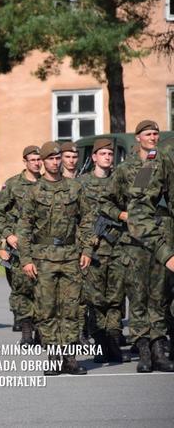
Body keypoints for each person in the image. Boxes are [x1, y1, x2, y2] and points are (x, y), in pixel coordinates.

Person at [102, 120, 174, 372]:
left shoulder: (161, 162)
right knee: (138, 296)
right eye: (148, 134)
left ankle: (158, 349)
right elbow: (106, 202)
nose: (153, 137)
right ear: (138, 138)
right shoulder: (127, 169)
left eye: (156, 133)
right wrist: (122, 216)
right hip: (134, 241)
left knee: (159, 296)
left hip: (161, 235)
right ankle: (143, 349)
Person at [17, 141, 93, 375]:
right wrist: (26, 259)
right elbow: (24, 228)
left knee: (70, 307)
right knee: (47, 308)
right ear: (43, 162)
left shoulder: (75, 188)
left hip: (71, 257)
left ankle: (70, 358)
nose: (55, 162)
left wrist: (87, 250)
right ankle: (53, 356)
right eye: (50, 158)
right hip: (43, 259)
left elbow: (88, 219)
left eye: (58, 158)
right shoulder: (34, 191)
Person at [77, 139, 130, 363]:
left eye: (110, 153)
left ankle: (113, 340)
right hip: (93, 250)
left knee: (117, 298)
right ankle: (100, 343)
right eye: (103, 153)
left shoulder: (120, 180)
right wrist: (85, 244)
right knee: (95, 299)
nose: (108, 157)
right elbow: (75, 218)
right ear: (94, 157)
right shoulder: (81, 183)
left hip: (118, 247)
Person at [0, 145, 42, 342]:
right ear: (25, 162)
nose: (37, 163)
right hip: (19, 248)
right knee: (21, 290)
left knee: (42, 291)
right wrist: (7, 235)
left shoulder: (47, 183)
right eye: (33, 160)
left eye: (39, 159)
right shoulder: (13, 185)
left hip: (42, 247)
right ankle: (26, 332)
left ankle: (41, 332)